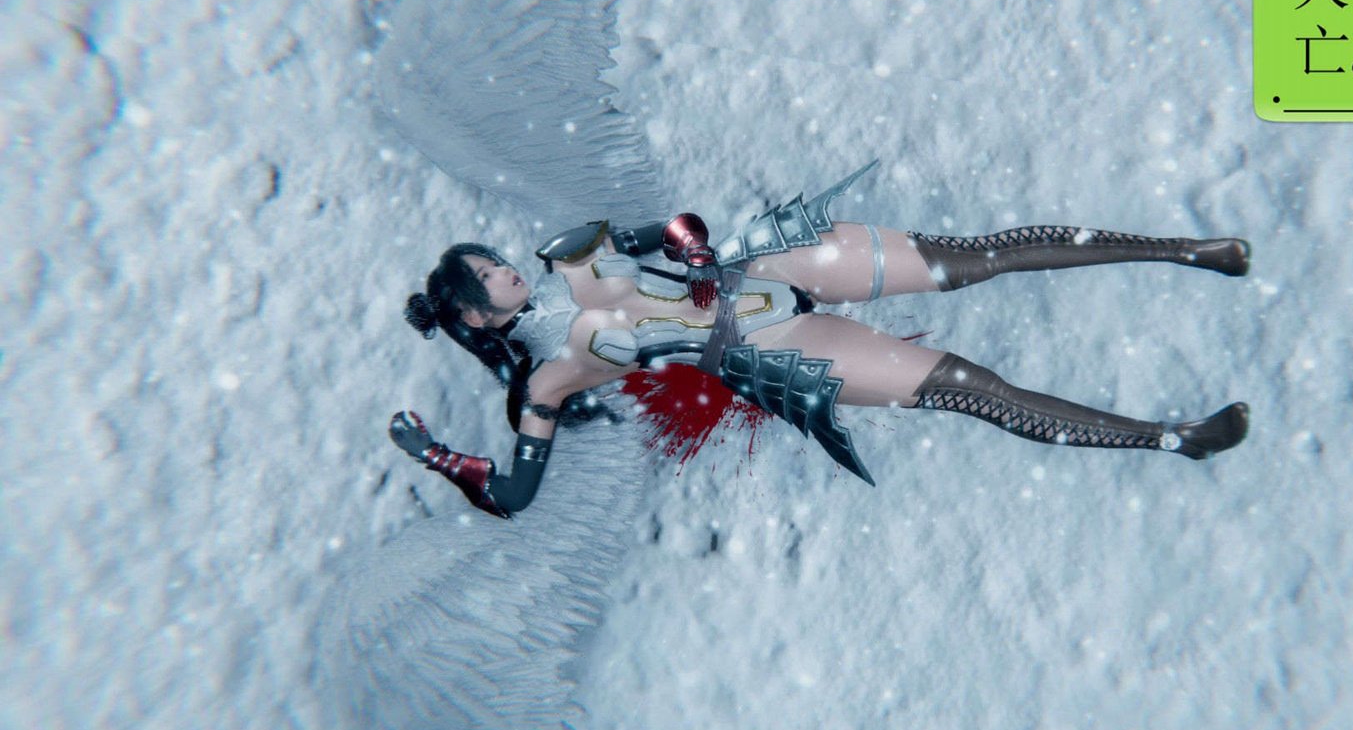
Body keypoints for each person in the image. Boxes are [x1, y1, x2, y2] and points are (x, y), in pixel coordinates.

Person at [389, 163, 1250, 519]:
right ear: (475, 317)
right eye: (487, 275)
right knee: (971, 388)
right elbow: (514, 495)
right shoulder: (543, 385)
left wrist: (694, 252)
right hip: (766, 348)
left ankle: (1187, 251)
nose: (504, 269)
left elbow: (674, 227)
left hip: (767, 266)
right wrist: (438, 457)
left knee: (975, 258)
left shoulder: (569, 251)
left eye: (492, 259)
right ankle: (1174, 439)